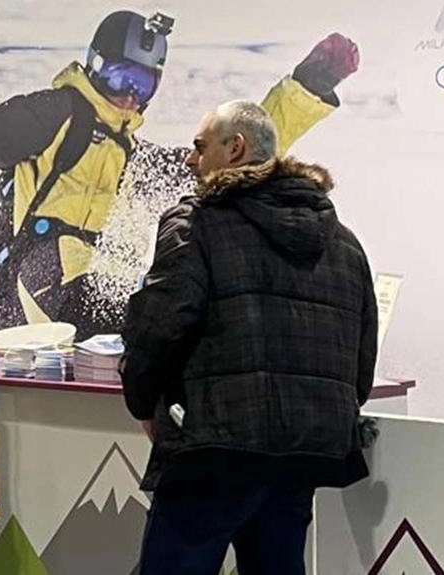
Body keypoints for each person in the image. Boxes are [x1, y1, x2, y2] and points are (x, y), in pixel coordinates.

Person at [0, 9, 360, 339]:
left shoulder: (129, 151)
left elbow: (234, 153)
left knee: (159, 308)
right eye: (119, 79)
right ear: (94, 67)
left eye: (143, 83)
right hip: (27, 278)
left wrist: (306, 87)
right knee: (147, 314)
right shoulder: (58, 113)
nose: (130, 95)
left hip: (70, 290)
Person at [120, 101, 377, 575]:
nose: (190, 160)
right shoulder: (345, 243)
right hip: (303, 453)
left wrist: (142, 401)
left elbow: (159, 325)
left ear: (234, 149)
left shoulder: (197, 222)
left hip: (214, 447)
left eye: (200, 147)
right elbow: (361, 363)